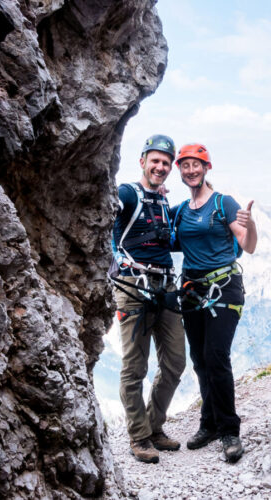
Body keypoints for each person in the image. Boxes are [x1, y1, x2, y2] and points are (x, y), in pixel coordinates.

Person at [171, 143, 258, 463]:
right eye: (185, 166)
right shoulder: (180, 210)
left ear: (207, 168)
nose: (191, 170)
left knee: (216, 355)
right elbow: (160, 234)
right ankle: (207, 424)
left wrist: (250, 224)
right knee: (200, 359)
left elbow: (246, 246)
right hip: (192, 290)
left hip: (224, 289)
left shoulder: (223, 203)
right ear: (180, 170)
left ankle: (229, 431)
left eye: (196, 165)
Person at [110, 134, 186, 464]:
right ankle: (139, 436)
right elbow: (105, 211)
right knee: (135, 366)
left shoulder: (162, 202)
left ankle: (154, 427)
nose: (160, 166)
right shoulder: (127, 193)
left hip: (165, 285)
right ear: (142, 161)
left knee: (175, 361)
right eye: (154, 160)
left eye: (166, 162)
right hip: (132, 286)